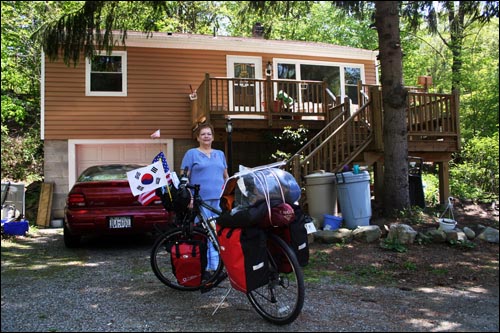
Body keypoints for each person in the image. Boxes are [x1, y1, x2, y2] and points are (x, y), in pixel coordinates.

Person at [181, 123, 229, 273]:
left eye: (209, 134)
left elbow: (226, 176)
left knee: (219, 231)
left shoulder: (220, 154)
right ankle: (210, 265)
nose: (206, 136)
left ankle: (219, 263)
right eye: (203, 134)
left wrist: (229, 193)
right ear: (198, 138)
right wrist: (189, 197)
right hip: (200, 200)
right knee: (207, 231)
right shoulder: (191, 154)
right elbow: (184, 178)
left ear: (213, 137)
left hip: (219, 199)